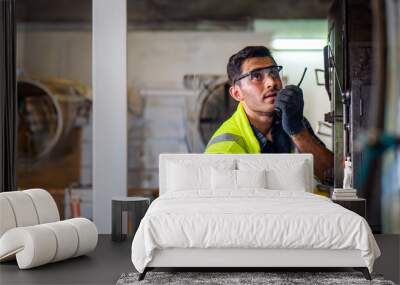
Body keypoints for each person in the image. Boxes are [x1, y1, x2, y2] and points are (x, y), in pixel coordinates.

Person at [204, 46, 333, 182]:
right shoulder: (224, 147)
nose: (272, 82)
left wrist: (298, 132)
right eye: (256, 76)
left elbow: (332, 175)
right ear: (237, 93)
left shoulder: (292, 119)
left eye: (274, 72)